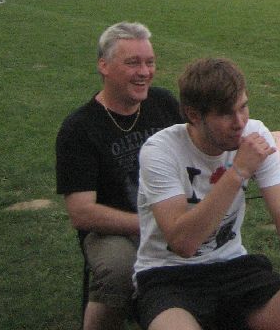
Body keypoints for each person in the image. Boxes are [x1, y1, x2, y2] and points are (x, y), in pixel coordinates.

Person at [132, 57, 280, 330]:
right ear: (194, 115)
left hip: (233, 267)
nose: (240, 122)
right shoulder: (160, 151)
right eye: (225, 114)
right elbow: (183, 243)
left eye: (243, 107)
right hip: (168, 276)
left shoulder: (256, 134)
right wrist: (238, 172)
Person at [55, 21, 182, 330]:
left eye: (150, 62)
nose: (144, 72)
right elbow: (82, 213)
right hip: (112, 229)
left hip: (170, 214)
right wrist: (150, 224)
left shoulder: (163, 104)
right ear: (104, 66)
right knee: (120, 270)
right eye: (133, 63)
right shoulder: (80, 128)